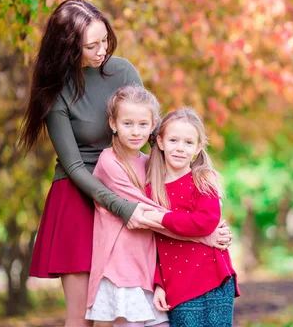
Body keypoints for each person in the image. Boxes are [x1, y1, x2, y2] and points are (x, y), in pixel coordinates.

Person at [18, 0, 232, 327]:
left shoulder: (122, 70)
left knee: (136, 309)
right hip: (79, 196)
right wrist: (122, 208)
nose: (102, 49)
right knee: (83, 317)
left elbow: (150, 131)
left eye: (104, 39)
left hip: (132, 185)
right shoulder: (56, 91)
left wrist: (197, 203)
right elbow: (74, 167)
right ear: (67, 48)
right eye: (91, 45)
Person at [86, 86, 224, 327]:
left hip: (148, 267)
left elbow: (166, 218)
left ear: (153, 127)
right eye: (127, 123)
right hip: (122, 266)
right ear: (113, 123)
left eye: (142, 124)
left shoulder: (151, 166)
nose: (135, 131)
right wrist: (204, 235)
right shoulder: (109, 162)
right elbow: (144, 214)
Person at [145, 108, 240, 326]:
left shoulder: (203, 180)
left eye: (188, 143)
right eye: (173, 140)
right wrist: (158, 283)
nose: (180, 148)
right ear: (160, 141)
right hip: (177, 283)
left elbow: (205, 222)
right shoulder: (151, 191)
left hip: (214, 278)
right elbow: (154, 244)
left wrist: (162, 218)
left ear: (198, 148)